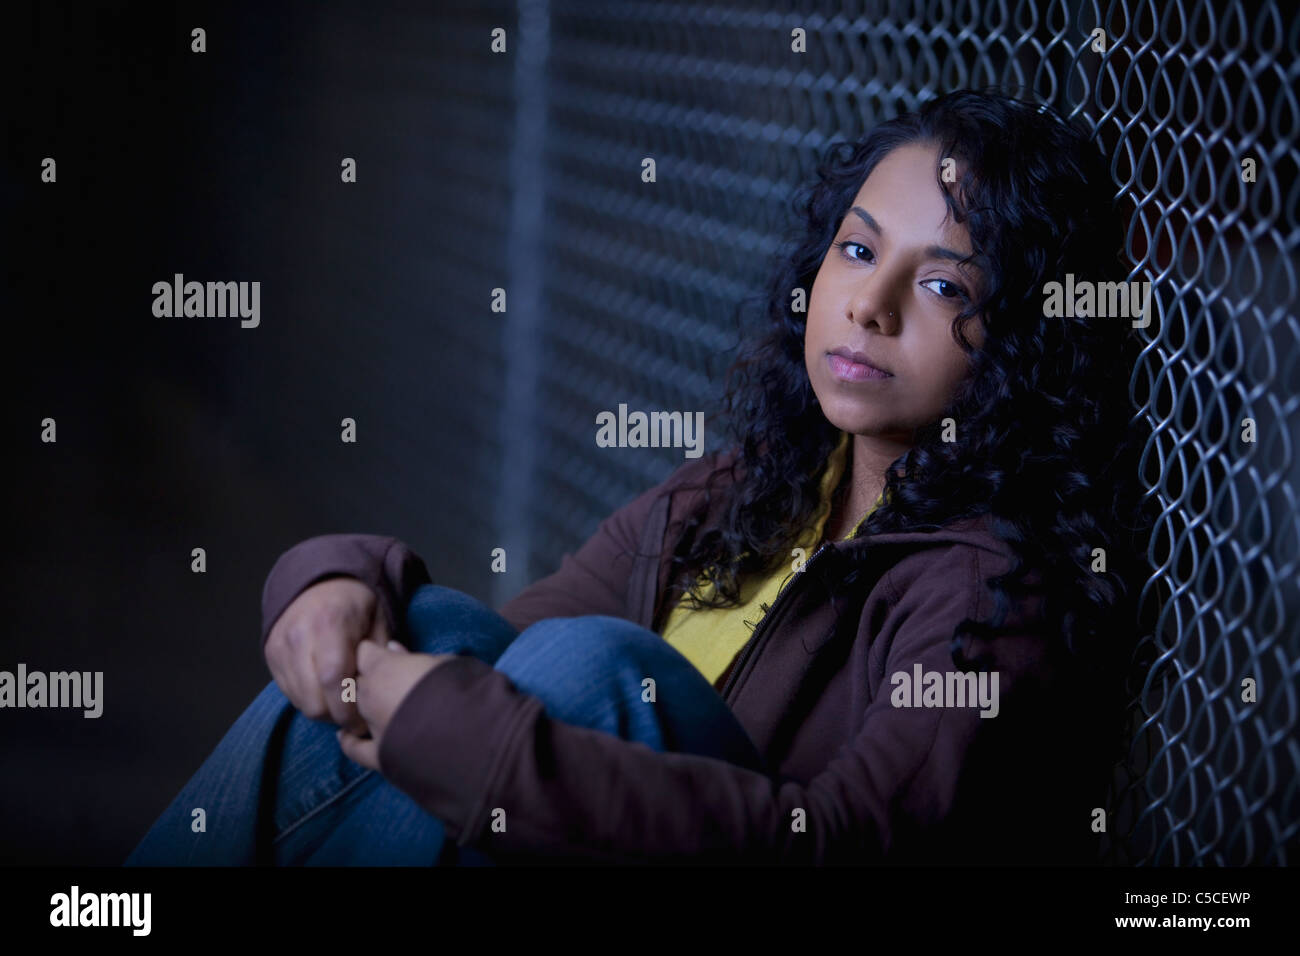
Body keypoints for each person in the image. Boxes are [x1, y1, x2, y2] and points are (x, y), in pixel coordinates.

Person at [125, 87, 1152, 867]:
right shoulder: (748, 491)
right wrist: (333, 580)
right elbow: (486, 645)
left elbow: (844, 839)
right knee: (425, 626)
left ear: (1021, 335)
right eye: (854, 248)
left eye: (940, 284)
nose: (867, 305)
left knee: (595, 671)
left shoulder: (986, 590)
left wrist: (454, 734)